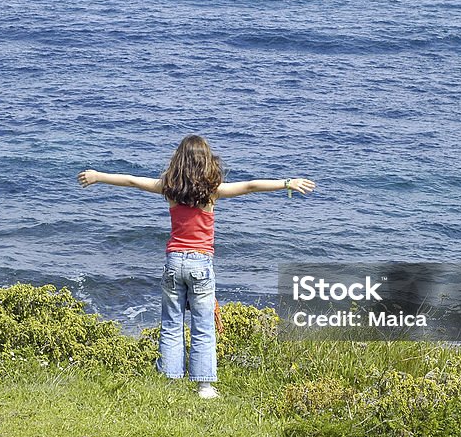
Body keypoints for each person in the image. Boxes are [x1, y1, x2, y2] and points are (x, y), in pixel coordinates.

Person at [77, 134, 316, 399]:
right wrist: (287, 183)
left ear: (178, 162)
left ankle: (169, 379)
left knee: (171, 323)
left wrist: (98, 175)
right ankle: (204, 386)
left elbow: (132, 181)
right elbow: (250, 186)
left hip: (173, 262)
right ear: (207, 162)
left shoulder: (169, 188)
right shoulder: (212, 192)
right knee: (203, 326)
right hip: (200, 263)